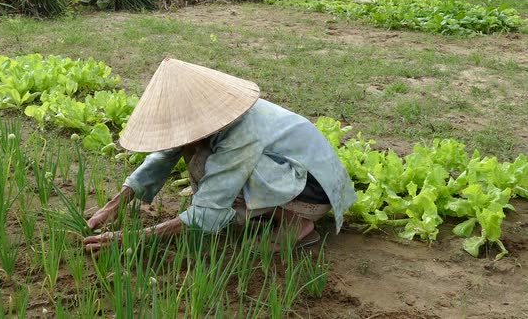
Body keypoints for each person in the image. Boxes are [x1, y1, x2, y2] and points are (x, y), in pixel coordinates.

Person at [84, 57, 356, 253]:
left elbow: (210, 206)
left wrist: (134, 238)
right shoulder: (208, 119)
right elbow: (162, 157)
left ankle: (298, 225)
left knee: (205, 166)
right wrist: (112, 207)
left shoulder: (241, 132)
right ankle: (270, 214)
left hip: (315, 189)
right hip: (295, 173)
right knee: (197, 155)